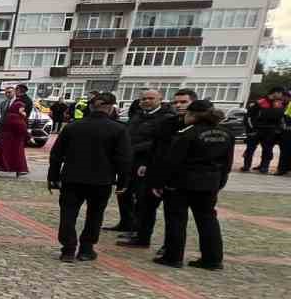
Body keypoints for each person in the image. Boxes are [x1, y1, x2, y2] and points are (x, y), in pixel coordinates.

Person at [46, 92, 131, 262]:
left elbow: (56, 154)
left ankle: (68, 249)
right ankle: (86, 249)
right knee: (95, 214)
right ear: (111, 108)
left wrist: (53, 176)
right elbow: (124, 159)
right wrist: (123, 181)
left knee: (68, 214)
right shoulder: (119, 129)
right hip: (101, 180)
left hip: (72, 178)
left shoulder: (72, 126)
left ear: (91, 107)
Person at [152, 99, 232, 269]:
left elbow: (172, 161)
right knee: (208, 220)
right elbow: (227, 162)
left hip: (182, 183)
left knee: (176, 219)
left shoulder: (187, 133)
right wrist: (220, 181)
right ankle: (213, 259)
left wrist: (160, 183)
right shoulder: (226, 133)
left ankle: (173, 256)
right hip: (210, 182)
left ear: (192, 115)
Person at [110, 89, 175, 239]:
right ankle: (126, 222)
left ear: (160, 99)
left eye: (150, 98)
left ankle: (138, 229)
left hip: (145, 162)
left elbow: (159, 142)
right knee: (123, 192)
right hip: (128, 161)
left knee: (141, 197)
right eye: (143, 99)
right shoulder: (137, 115)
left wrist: (134, 149)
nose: (146, 101)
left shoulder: (165, 118)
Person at [0, 84, 32, 177]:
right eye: (6, 92)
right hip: (7, 131)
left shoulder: (21, 102)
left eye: (10, 92)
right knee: (3, 152)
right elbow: (4, 118)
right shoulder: (5, 104)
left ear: (15, 92)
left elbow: (23, 118)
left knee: (16, 152)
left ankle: (19, 169)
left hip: (15, 133)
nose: (8, 94)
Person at [242, 86, 287, 173]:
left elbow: (281, 118)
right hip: (256, 130)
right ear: (275, 93)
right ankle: (246, 166)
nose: (282, 96)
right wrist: (251, 129)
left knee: (268, 150)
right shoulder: (260, 102)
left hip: (270, 131)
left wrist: (278, 129)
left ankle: (264, 167)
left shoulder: (280, 104)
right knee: (250, 149)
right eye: (281, 93)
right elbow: (248, 117)